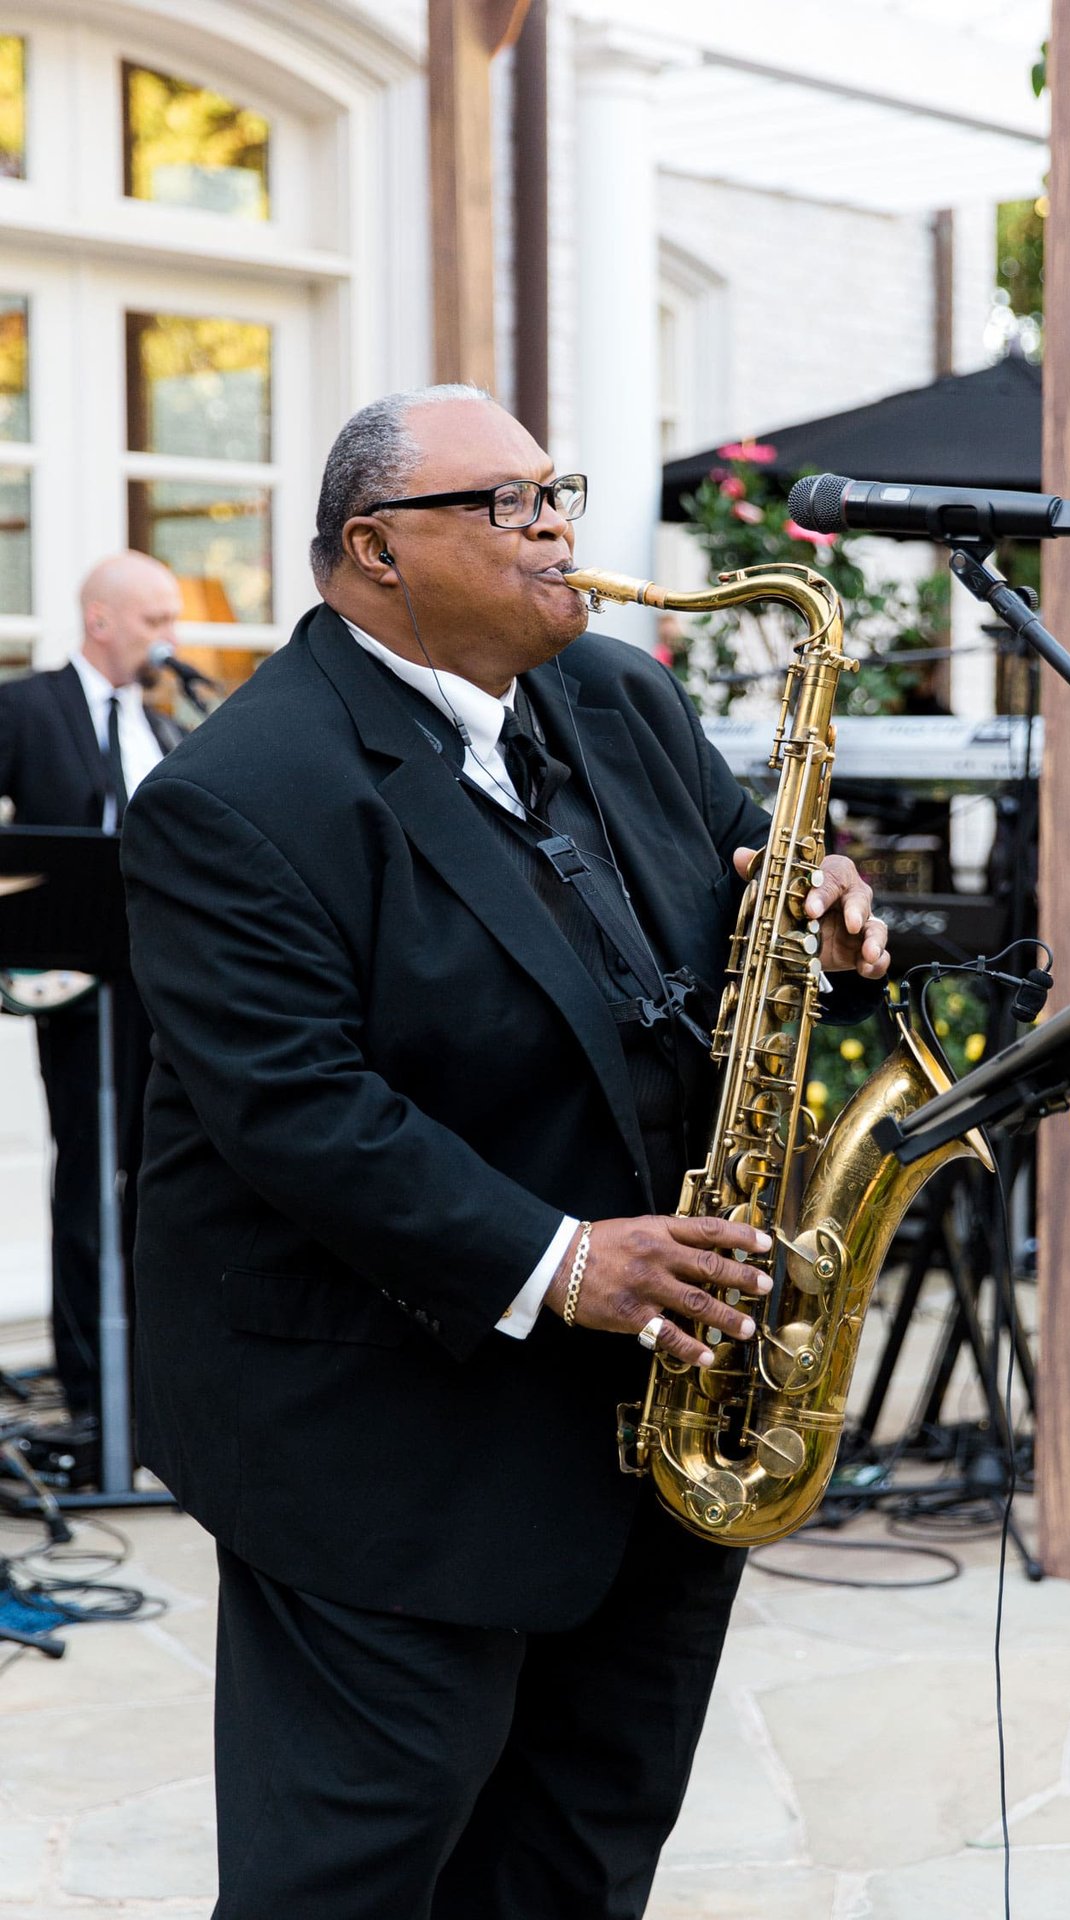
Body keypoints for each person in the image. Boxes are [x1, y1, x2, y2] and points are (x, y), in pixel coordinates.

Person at [120, 386, 890, 1920]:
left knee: (580, 1859)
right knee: (350, 1877)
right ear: (373, 550)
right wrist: (567, 1261)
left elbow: (747, 872)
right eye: (508, 503)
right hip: (385, 1442)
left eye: (560, 493)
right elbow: (298, 1108)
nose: (556, 529)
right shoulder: (234, 796)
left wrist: (818, 904)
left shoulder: (622, 699)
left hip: (658, 1411)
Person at [0, 552, 184, 1441]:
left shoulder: (167, 724)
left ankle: (153, 1384)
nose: (169, 638)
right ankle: (87, 1391)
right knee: (87, 1178)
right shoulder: (29, 705)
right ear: (102, 619)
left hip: (164, 987)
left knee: (160, 1180)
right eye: (154, 619)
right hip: (77, 986)